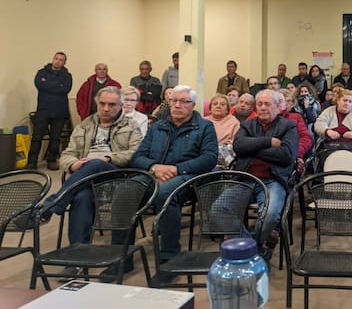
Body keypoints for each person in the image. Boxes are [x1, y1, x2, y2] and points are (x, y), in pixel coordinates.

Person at [40, 86, 142, 280]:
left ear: (121, 106)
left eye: (112, 105)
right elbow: (67, 154)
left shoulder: (131, 126)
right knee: (81, 197)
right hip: (86, 178)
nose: (106, 108)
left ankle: (53, 204)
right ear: (97, 103)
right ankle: (76, 261)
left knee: (95, 163)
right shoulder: (85, 126)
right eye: (102, 104)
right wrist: (73, 164)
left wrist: (108, 158)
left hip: (116, 175)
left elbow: (135, 154)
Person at [131, 85, 218, 282]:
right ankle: (122, 254)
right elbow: (138, 157)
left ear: (193, 105)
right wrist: (154, 167)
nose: (177, 105)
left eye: (183, 102)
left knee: (165, 194)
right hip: (156, 173)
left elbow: (209, 159)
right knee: (127, 189)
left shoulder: (204, 126)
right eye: (174, 101)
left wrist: (177, 169)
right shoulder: (157, 126)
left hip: (188, 176)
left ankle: (169, 258)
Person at [231, 89, 298, 262]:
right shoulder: (248, 125)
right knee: (218, 209)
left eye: (267, 104)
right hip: (245, 179)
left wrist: (252, 149)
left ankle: (250, 247)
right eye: (259, 104)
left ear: (277, 106)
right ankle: (255, 248)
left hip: (273, 180)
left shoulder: (288, 126)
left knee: (270, 215)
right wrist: (268, 142)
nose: (262, 107)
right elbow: (238, 146)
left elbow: (286, 155)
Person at [28, 52, 73, 170]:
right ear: (53, 59)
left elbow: (65, 89)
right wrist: (57, 84)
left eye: (61, 60)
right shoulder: (41, 73)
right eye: (56, 58)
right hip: (43, 111)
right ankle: (32, 162)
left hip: (59, 111)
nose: (58, 61)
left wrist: (47, 84)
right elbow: (40, 85)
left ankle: (51, 160)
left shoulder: (67, 76)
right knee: (36, 137)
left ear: (64, 63)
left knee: (55, 138)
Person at [205, 93, 241, 169]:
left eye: (222, 104)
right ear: (210, 108)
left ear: (227, 109)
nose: (218, 106)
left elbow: (235, 144)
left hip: (221, 161)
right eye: (215, 104)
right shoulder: (203, 120)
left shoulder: (234, 122)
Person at [278, 89, 313, 165]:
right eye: (283, 101)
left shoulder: (297, 117)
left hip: (293, 155)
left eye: (289, 101)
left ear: (293, 103)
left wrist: (296, 153)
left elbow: (306, 138)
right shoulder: (269, 117)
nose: (286, 104)